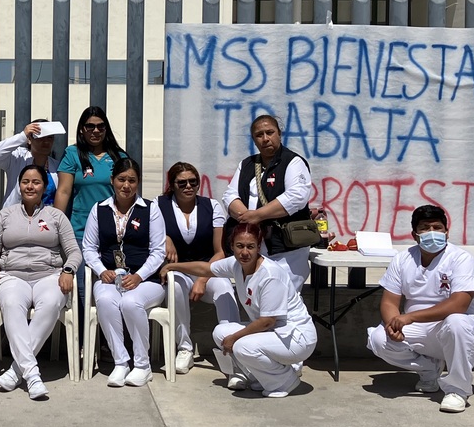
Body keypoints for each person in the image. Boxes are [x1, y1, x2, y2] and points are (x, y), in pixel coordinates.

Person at [167, 222, 317, 398]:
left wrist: (235, 338)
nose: (245, 252)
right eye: (240, 246)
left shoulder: (270, 275)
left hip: (296, 338)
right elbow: (205, 269)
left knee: (242, 346)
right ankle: (261, 377)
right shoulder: (236, 264)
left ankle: (284, 380)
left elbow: (267, 321)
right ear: (232, 246)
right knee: (221, 332)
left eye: (250, 247)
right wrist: (172, 266)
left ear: (259, 247)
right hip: (273, 333)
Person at [368, 205, 474, 413]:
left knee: (457, 321)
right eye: (425, 228)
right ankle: (429, 370)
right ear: (414, 235)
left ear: (446, 232)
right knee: (379, 339)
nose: (432, 233)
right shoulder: (402, 258)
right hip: (419, 328)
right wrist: (393, 325)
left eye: (437, 228)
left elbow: (459, 304)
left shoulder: (461, 258)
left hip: (460, 330)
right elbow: (389, 302)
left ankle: (457, 390)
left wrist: (410, 317)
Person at [0, 164, 80, 399]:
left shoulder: (56, 216)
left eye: (36, 182)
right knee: (11, 303)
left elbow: (74, 252)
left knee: (52, 302)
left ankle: (16, 371)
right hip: (12, 275)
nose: (30, 186)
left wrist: (68, 270)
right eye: (25, 181)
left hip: (48, 275)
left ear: (44, 187)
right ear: (19, 185)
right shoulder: (5, 215)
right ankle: (33, 375)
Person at [82, 157, 166, 387]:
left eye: (132, 180)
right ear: (112, 180)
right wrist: (101, 271)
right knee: (105, 300)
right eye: (121, 179)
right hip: (111, 278)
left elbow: (158, 251)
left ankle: (142, 365)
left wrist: (139, 276)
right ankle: (121, 362)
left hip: (146, 280)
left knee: (130, 303)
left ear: (138, 182)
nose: (126, 185)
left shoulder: (151, 209)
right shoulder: (99, 209)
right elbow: (89, 248)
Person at [222, 114, 315, 293]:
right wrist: (245, 217)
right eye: (259, 135)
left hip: (286, 251)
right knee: (254, 297)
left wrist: (257, 216)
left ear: (279, 134)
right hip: (254, 248)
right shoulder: (246, 164)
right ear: (254, 139)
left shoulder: (293, 162)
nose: (265, 138)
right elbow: (229, 195)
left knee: (284, 297)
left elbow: (296, 196)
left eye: (270, 132)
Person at [158, 161, 232, 375]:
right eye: (182, 183)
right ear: (172, 184)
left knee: (225, 288)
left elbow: (220, 252)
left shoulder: (212, 206)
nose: (189, 186)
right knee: (176, 287)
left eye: (193, 181)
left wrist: (202, 278)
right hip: (177, 270)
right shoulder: (159, 205)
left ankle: (232, 347)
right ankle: (185, 348)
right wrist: (165, 238)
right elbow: (151, 236)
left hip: (207, 269)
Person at [54, 106, 128, 245]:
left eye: (101, 126)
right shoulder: (72, 154)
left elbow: (128, 194)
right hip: (79, 231)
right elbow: (63, 191)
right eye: (90, 126)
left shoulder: (119, 157)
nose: (96, 131)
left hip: (112, 230)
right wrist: (56, 225)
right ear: (81, 129)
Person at [0, 120, 58, 208]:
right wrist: (23, 135)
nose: (46, 141)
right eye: (40, 137)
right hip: (15, 215)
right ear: (29, 139)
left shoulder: (56, 165)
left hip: (46, 215)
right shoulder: (17, 158)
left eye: (50, 137)